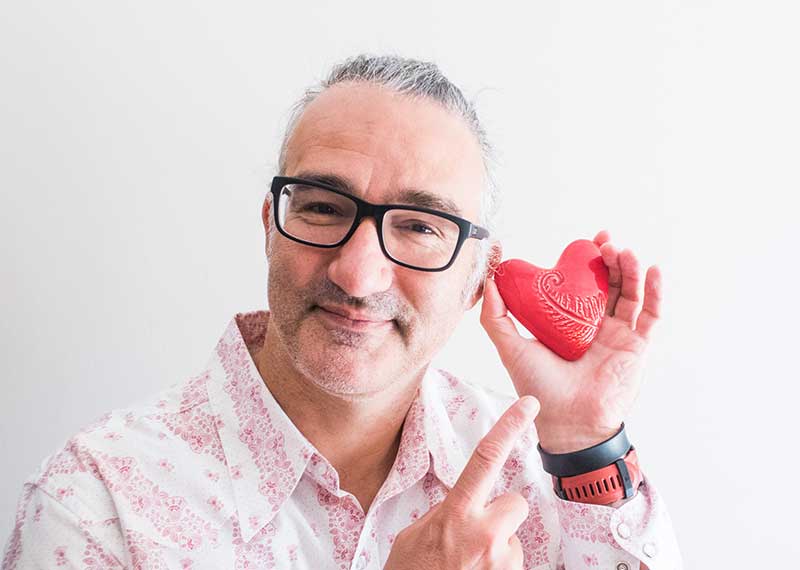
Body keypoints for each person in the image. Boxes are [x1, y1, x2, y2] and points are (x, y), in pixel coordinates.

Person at [2, 54, 683, 569]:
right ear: (270, 227)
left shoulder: (546, 473)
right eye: (324, 209)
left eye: (420, 227)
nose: (357, 275)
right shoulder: (98, 501)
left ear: (479, 275)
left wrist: (586, 441)